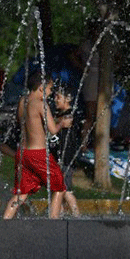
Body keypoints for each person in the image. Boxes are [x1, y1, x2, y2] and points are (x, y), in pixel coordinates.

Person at [3, 72, 72, 220]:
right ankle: (53, 221)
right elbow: (53, 130)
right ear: (41, 88)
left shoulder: (23, 101)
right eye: (49, 89)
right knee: (60, 187)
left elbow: (23, 122)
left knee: (21, 193)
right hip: (38, 154)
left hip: (23, 153)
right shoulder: (42, 104)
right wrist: (62, 123)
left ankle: (4, 221)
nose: (50, 93)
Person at [51, 85, 83, 217]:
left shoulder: (71, 115)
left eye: (58, 97)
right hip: (58, 157)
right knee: (59, 189)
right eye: (54, 96)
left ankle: (77, 215)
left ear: (68, 99)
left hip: (66, 158)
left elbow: (65, 122)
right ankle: (60, 214)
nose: (55, 99)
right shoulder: (59, 115)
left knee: (65, 190)